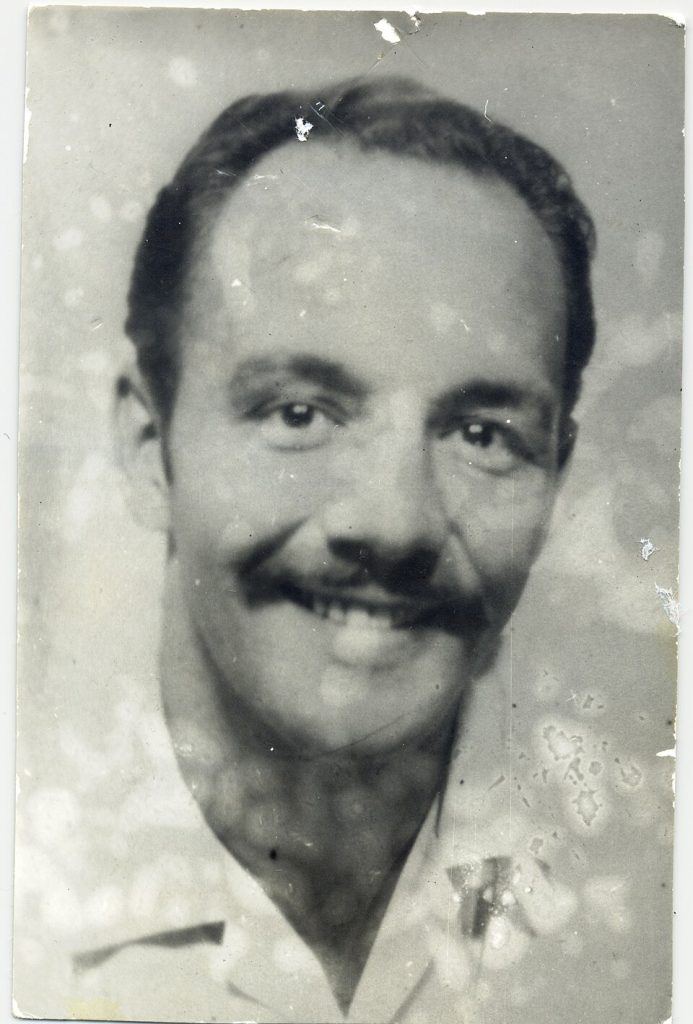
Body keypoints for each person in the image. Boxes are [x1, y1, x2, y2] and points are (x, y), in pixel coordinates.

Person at [74, 76, 596, 1022]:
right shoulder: (31, 907)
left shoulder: (632, 932)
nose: (393, 523)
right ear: (150, 447)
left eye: (481, 434)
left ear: (556, 474)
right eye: (299, 413)